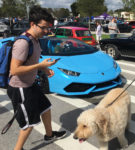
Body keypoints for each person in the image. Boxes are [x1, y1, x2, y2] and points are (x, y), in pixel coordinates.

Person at [7, 6, 66, 150]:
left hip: (30, 84)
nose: (46, 31)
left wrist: (45, 68)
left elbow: (32, 62)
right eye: (44, 27)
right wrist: (40, 65)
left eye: (48, 28)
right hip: (20, 87)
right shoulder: (22, 43)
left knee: (46, 107)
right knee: (29, 123)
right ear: (33, 24)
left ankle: (49, 135)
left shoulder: (36, 39)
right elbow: (15, 70)